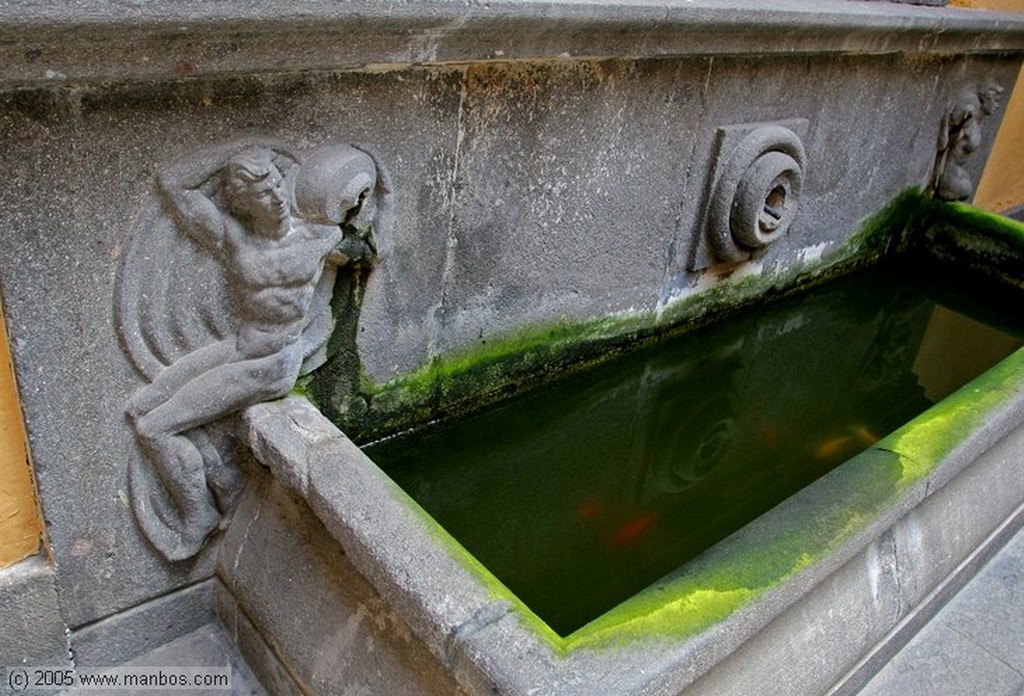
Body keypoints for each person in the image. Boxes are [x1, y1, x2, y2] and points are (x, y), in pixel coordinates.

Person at [126, 143, 382, 560]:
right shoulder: (235, 240)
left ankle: (199, 518)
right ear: (242, 204)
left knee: (155, 429)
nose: (278, 197)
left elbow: (367, 250)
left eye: (278, 185)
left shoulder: (319, 236)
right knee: (141, 408)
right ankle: (223, 476)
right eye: (263, 193)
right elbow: (172, 185)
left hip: (273, 363)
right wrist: (237, 150)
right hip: (241, 348)